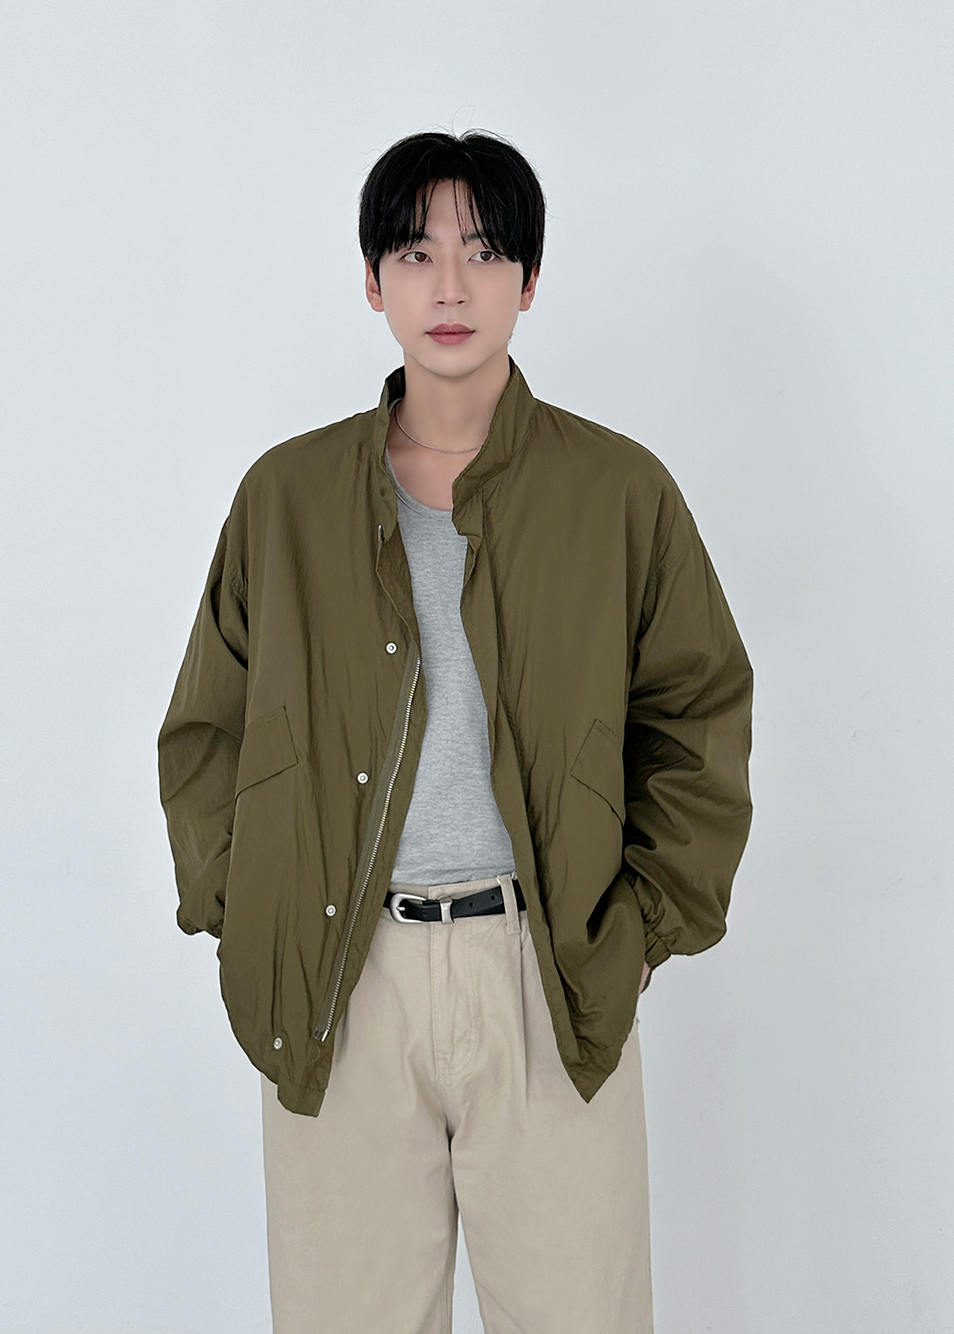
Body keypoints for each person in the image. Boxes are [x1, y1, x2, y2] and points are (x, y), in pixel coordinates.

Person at [157, 128, 753, 1334]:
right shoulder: (286, 497)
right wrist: (248, 913)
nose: (448, 285)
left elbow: (695, 712)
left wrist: (637, 931)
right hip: (341, 979)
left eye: (483, 252)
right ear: (370, 280)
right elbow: (205, 731)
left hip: (548, 974)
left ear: (528, 281)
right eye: (415, 252)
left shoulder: (616, 490)